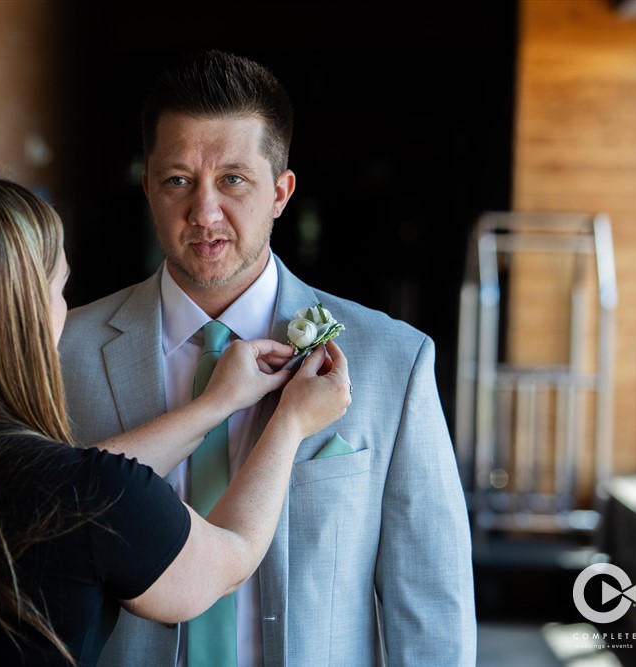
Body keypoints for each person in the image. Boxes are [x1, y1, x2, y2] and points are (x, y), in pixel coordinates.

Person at [0, 175, 352, 666]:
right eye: (59, 290)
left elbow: (72, 490)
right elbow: (226, 559)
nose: (67, 309)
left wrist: (214, 404)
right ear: (20, 312)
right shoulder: (80, 495)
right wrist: (290, 424)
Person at [58, 51, 475, 666]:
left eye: (233, 179)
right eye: (178, 180)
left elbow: (432, 606)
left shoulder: (395, 360)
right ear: (146, 186)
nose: (204, 212)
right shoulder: (65, 353)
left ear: (281, 192)